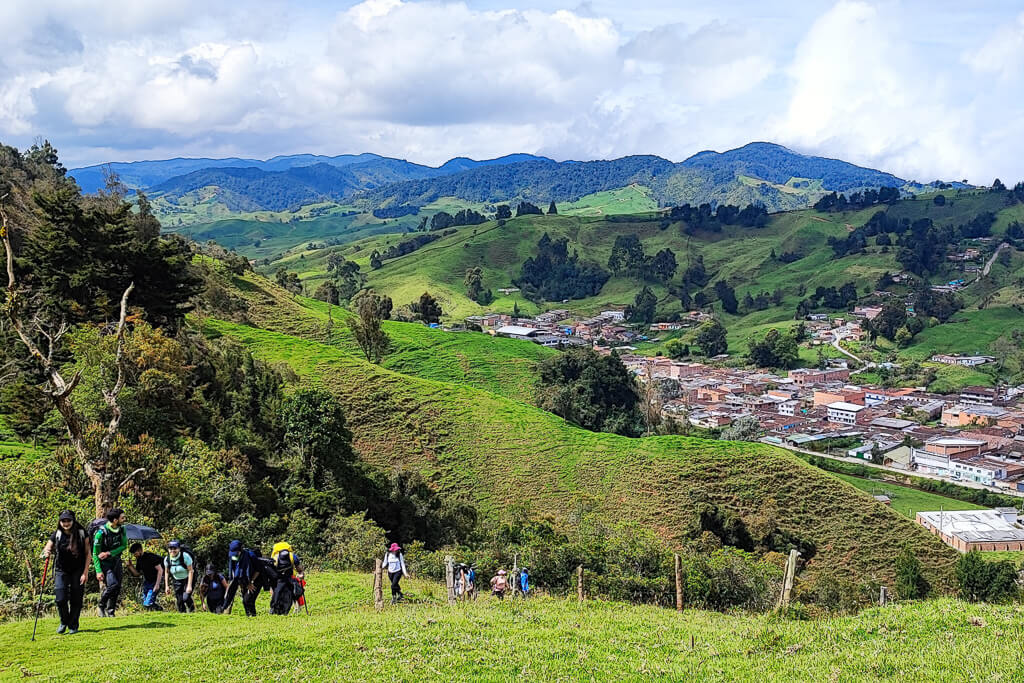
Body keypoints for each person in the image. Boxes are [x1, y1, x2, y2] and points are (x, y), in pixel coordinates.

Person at [41, 510, 91, 634]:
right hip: (61, 569)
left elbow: (88, 552)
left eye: (68, 520)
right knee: (60, 598)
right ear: (60, 522)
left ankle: (73, 625)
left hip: (78, 569)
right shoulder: (57, 534)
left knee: (76, 598)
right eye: (63, 520)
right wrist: (46, 552)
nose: (66, 523)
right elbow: (47, 547)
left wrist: (85, 572)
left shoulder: (81, 532)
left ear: (73, 521)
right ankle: (64, 621)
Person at [93, 508, 128, 617]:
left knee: (117, 587)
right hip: (105, 564)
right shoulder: (100, 533)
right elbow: (95, 554)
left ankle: (111, 611)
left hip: (116, 561)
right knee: (113, 584)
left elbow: (124, 546)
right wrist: (98, 571)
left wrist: (109, 553)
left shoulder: (122, 529)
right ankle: (101, 604)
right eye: (122, 518)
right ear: (115, 520)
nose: (124, 519)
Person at [224, 540, 265, 617]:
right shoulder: (233, 557)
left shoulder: (251, 556)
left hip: (256, 579)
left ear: (240, 550)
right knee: (246, 600)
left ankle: (252, 617)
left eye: (236, 553)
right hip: (244, 580)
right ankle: (250, 617)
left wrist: (251, 582)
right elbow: (234, 570)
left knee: (248, 600)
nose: (234, 555)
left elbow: (258, 570)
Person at [269, 541, 304, 615]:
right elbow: (299, 569)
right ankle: (284, 611)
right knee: (289, 595)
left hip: (279, 580)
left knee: (277, 594)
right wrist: (301, 574)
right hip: (289, 578)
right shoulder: (292, 556)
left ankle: (274, 610)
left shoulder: (274, 558)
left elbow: (271, 572)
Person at [126, 543, 163, 610]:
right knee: (145, 602)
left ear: (140, 550)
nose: (134, 555)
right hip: (147, 581)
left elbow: (160, 570)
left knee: (147, 603)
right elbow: (137, 574)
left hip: (155, 581)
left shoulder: (151, 557)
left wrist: (157, 584)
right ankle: (158, 609)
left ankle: (157, 609)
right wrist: (130, 566)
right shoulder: (139, 560)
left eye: (135, 553)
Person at [163, 540, 195, 612]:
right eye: (170, 549)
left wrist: (189, 586)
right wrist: (166, 586)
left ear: (179, 549)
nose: (172, 550)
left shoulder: (185, 556)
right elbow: (167, 572)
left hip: (188, 578)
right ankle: (182, 615)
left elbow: (191, 571)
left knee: (185, 598)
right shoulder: (167, 559)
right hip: (177, 579)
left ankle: (192, 609)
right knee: (179, 601)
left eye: (175, 548)